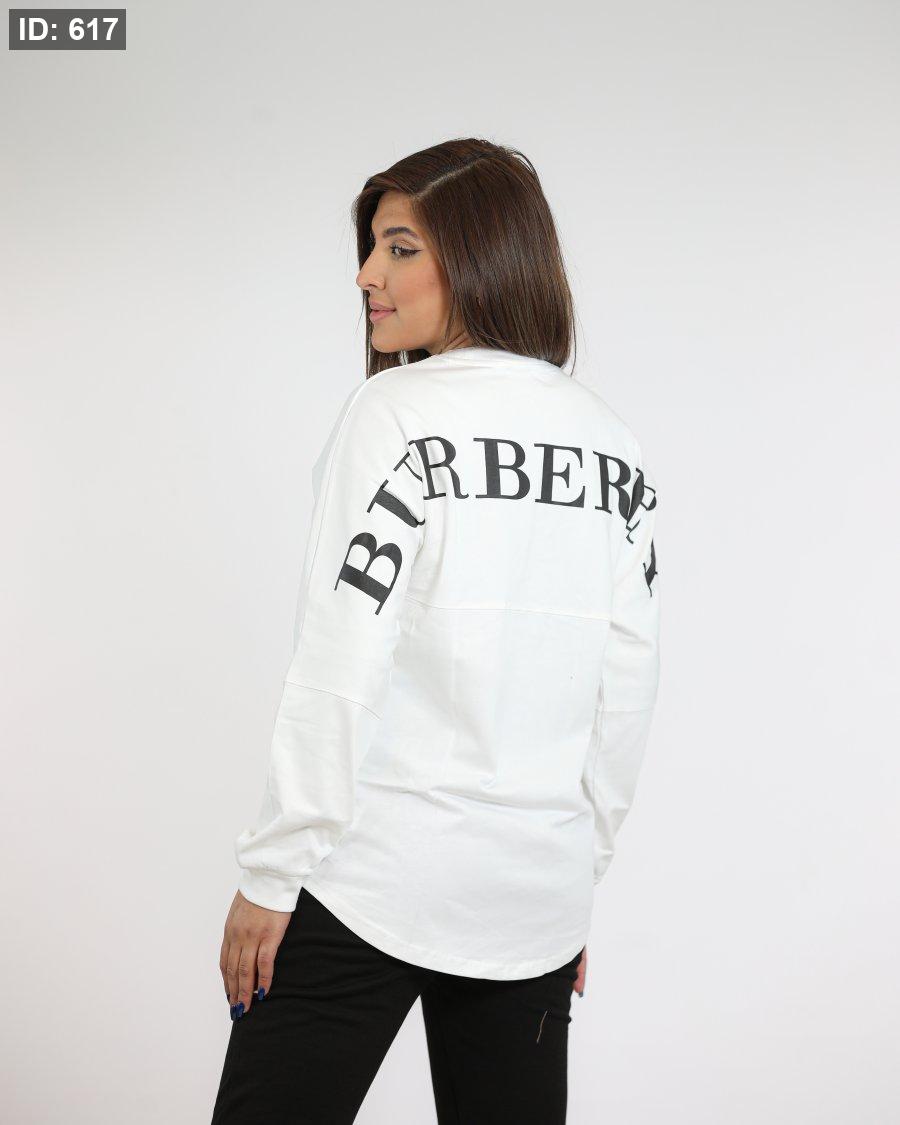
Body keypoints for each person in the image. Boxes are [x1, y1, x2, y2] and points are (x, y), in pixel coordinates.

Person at [211, 137, 661, 1124]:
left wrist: (272, 874)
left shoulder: (394, 415)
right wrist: (573, 877)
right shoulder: (613, 445)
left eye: (401, 248)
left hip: (370, 878)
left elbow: (340, 659)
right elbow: (626, 688)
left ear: (483, 254)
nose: (367, 275)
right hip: (531, 900)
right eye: (374, 247)